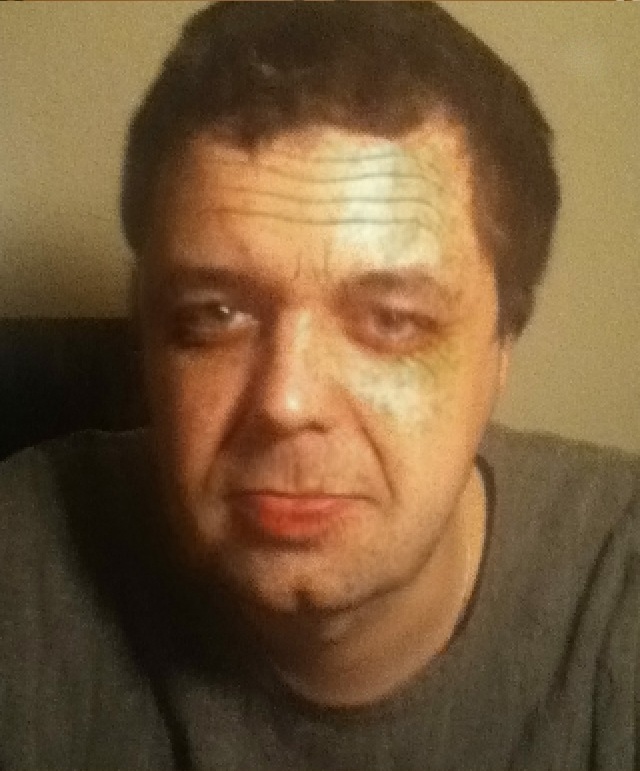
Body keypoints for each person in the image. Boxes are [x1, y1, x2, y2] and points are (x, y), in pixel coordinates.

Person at [1, 3, 638, 769]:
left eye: (393, 320)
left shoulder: (619, 598)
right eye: (214, 314)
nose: (286, 401)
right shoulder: (24, 556)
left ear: (504, 345)